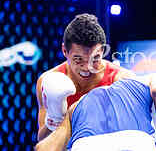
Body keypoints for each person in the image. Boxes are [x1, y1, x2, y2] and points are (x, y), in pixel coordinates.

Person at [35, 72, 156, 151]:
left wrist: (54, 117)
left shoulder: (76, 107)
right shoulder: (143, 82)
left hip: (87, 145)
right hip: (135, 140)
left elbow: (44, 148)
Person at [36, 13, 135, 141]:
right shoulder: (47, 81)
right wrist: (53, 120)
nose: (87, 67)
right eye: (78, 60)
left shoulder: (120, 80)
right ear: (64, 51)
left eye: (95, 59)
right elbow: (43, 142)